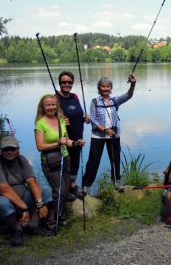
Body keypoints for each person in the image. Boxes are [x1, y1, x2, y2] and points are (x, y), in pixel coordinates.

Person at [0, 136, 55, 246]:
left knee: (46, 190)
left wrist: (39, 204)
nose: (10, 152)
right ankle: (17, 230)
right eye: (6, 149)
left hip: (20, 202)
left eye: (13, 149)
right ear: (0, 150)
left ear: (17, 149)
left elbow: (32, 182)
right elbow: (4, 189)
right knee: (2, 202)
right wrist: (24, 208)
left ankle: (33, 226)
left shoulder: (21, 160)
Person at [34, 94, 85, 231]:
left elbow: (66, 140)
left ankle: (60, 216)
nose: (51, 107)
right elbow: (40, 147)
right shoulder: (40, 123)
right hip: (50, 162)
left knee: (65, 189)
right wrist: (57, 143)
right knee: (59, 190)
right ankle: (50, 219)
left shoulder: (60, 119)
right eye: (48, 105)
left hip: (65, 158)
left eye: (53, 104)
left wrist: (75, 143)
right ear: (42, 107)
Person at [82, 74, 136, 195]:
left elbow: (128, 95)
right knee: (93, 160)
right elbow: (93, 120)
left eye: (108, 86)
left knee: (115, 159)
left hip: (114, 136)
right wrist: (105, 130)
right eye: (103, 86)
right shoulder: (95, 102)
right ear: (99, 88)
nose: (105, 89)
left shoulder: (115, 100)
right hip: (98, 136)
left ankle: (117, 182)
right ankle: (86, 185)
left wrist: (133, 83)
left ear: (110, 88)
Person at [55, 71, 90, 200]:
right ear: (59, 83)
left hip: (77, 135)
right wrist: (60, 121)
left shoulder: (74, 96)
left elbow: (76, 114)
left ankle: (72, 186)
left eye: (69, 82)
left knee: (75, 162)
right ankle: (63, 190)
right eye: (64, 82)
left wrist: (85, 118)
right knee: (65, 163)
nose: (67, 84)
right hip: (64, 138)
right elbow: (48, 119)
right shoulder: (55, 98)